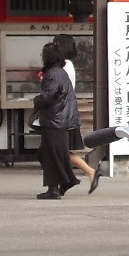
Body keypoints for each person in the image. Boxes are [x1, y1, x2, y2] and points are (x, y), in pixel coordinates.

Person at [53, 33, 100, 192]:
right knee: (57, 149)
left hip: (61, 113)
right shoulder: (67, 65)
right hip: (65, 112)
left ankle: (83, 173)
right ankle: (73, 177)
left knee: (57, 149)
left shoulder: (64, 65)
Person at [32, 41, 78, 200]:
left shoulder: (52, 74)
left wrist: (37, 100)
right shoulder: (60, 72)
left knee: (50, 154)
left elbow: (47, 97)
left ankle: (56, 187)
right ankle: (64, 181)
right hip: (60, 118)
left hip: (54, 119)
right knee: (51, 154)